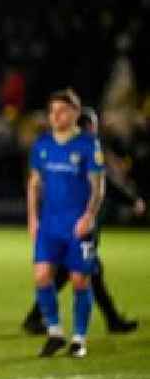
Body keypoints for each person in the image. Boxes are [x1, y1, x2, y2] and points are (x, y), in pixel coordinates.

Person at [22, 106, 141, 335]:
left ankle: (110, 320)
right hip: (76, 227)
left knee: (81, 275)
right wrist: (133, 201)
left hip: (73, 226)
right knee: (82, 274)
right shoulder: (84, 149)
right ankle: (111, 321)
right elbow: (107, 186)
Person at [28, 89, 105, 359]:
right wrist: (33, 217)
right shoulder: (42, 145)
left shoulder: (88, 144)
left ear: (75, 113)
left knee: (79, 281)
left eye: (61, 111)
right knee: (41, 277)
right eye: (52, 111)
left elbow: (98, 187)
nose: (55, 116)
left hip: (78, 226)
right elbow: (34, 184)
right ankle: (54, 332)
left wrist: (89, 216)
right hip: (49, 224)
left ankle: (79, 339)